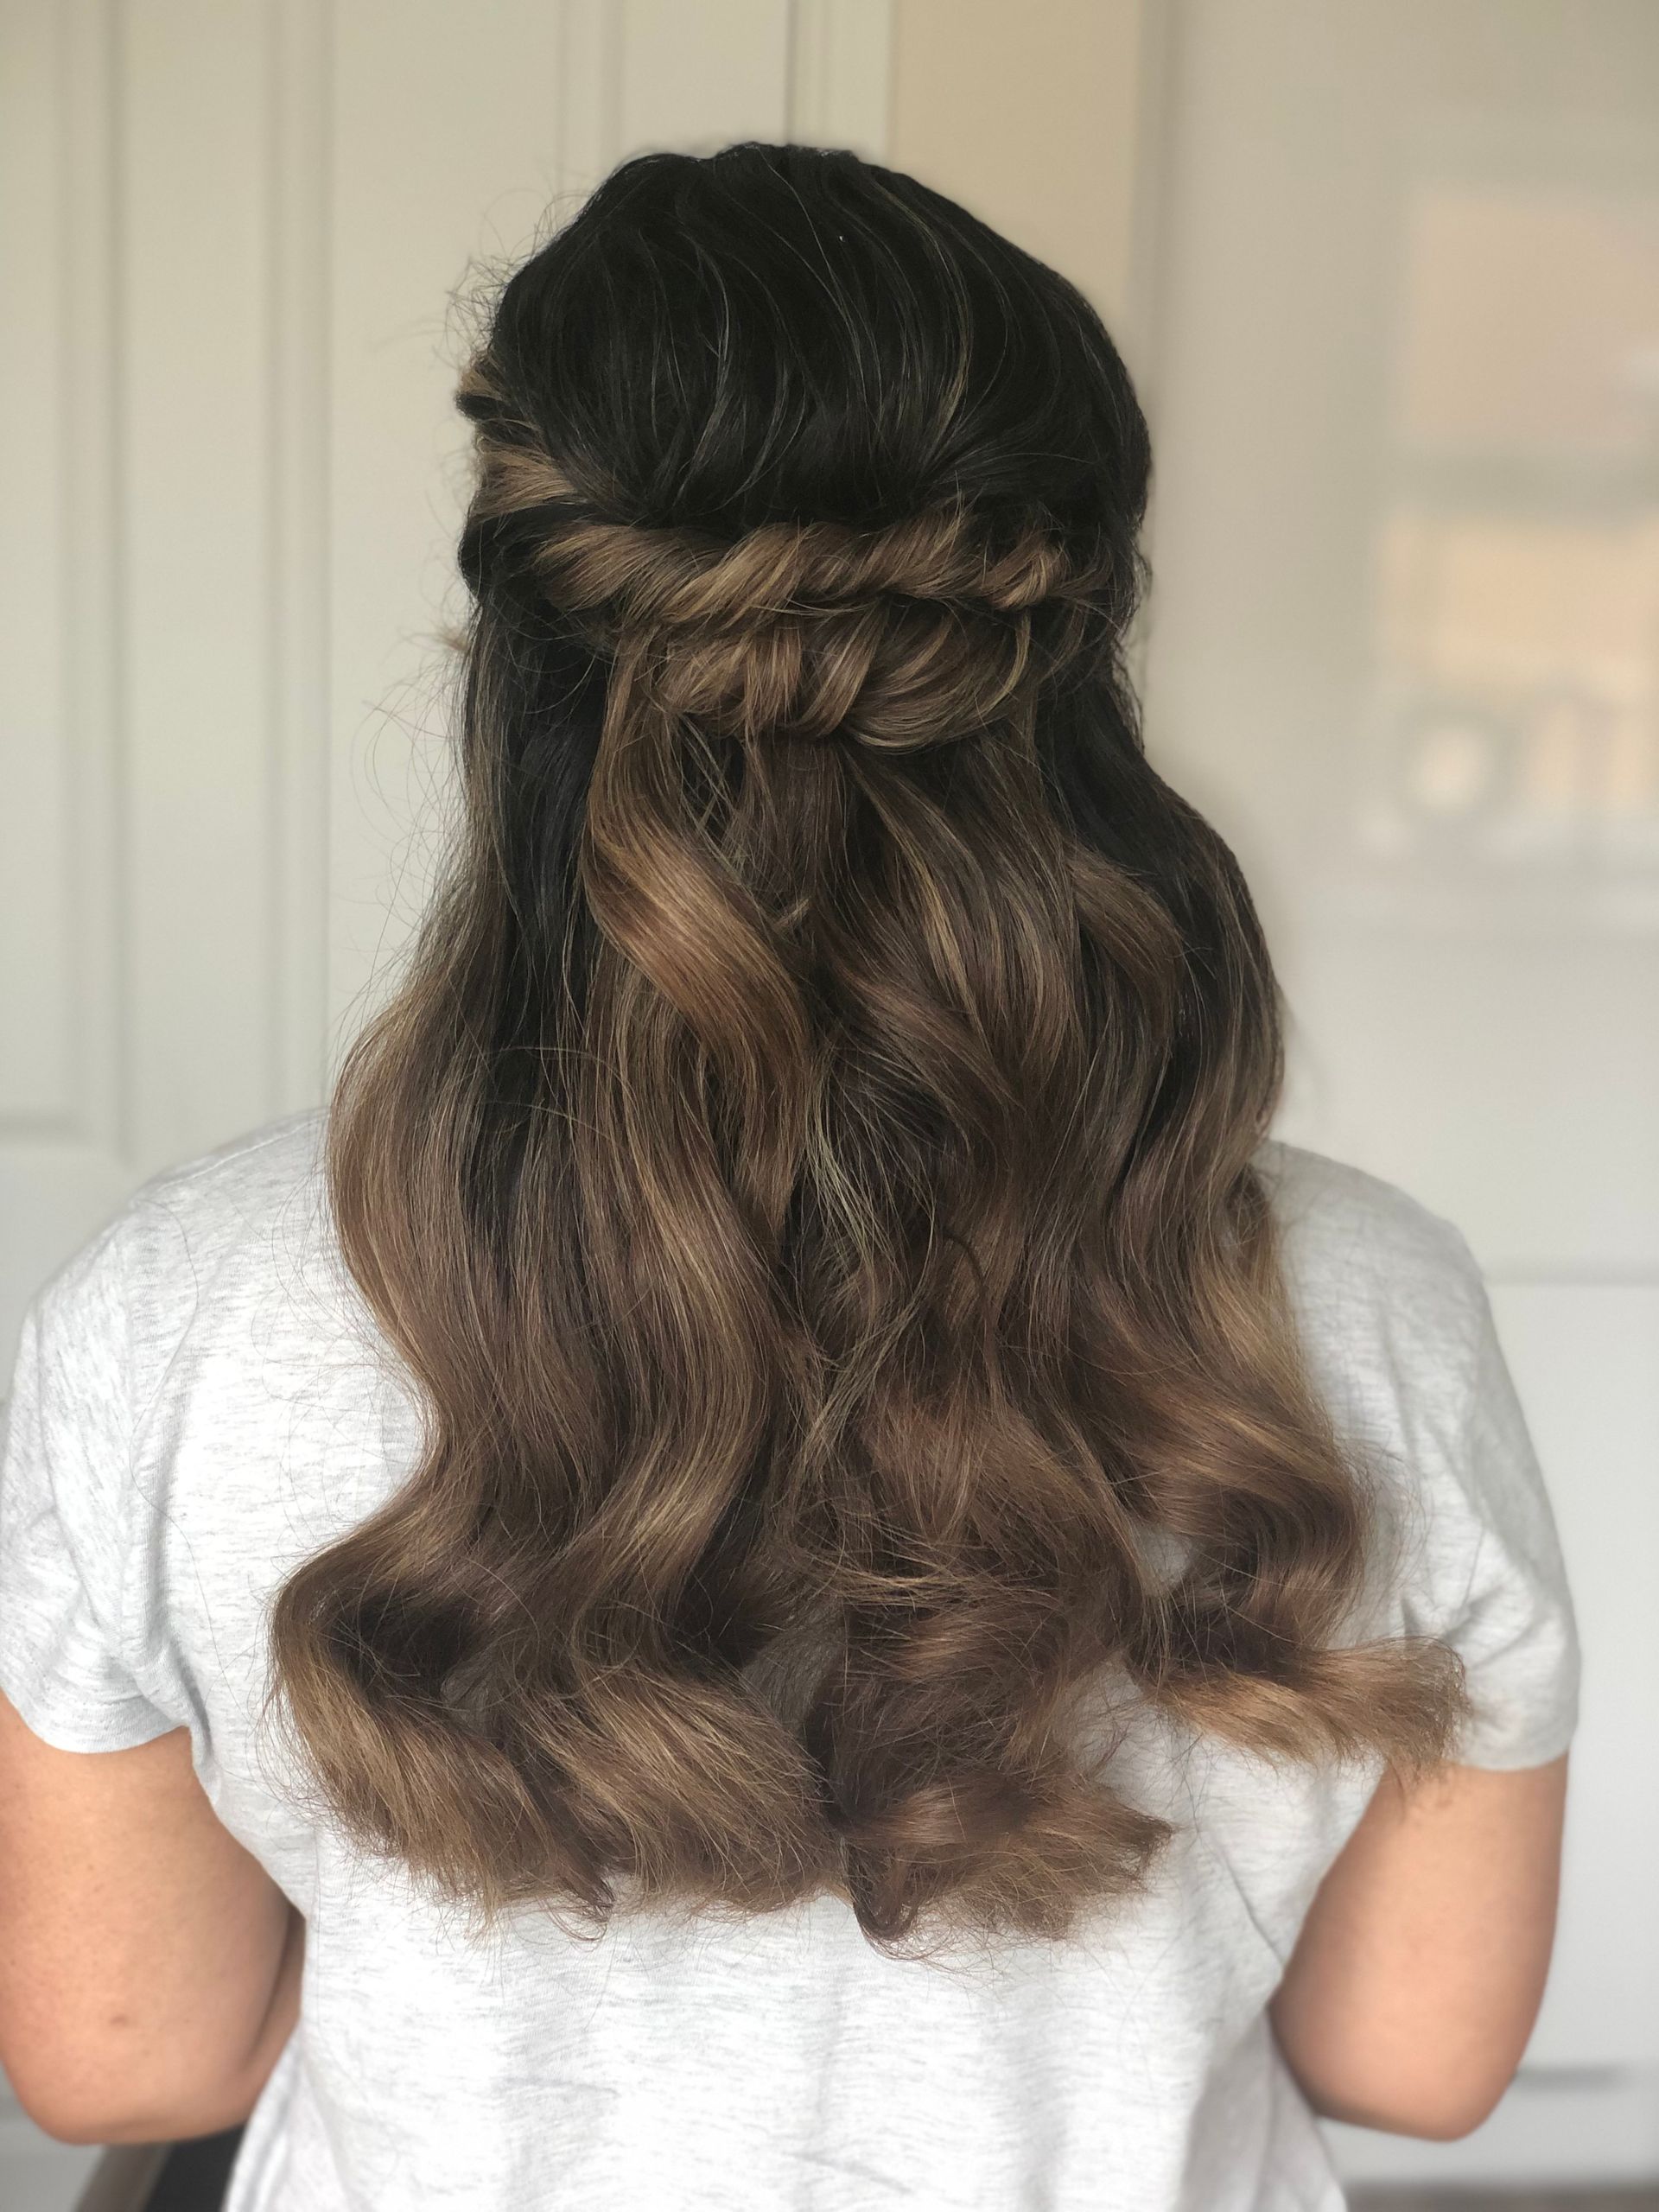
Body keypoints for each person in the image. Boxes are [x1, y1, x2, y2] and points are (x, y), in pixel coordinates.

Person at [0, 142, 1578, 2212]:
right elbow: (1416, 2058)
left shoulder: (180, 1308)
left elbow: (127, 2050)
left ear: (520, 656)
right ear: (1077, 661)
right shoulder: (1369, 1307)